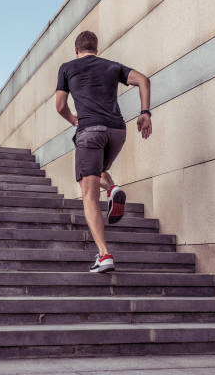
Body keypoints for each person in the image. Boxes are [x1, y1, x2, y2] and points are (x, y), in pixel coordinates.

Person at [55, 30, 152, 273]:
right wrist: (145, 113)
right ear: (96, 49)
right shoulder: (111, 66)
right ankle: (112, 187)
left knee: (88, 194)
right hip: (117, 131)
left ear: (76, 50)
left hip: (90, 130)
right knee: (98, 171)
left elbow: (59, 106)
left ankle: (104, 254)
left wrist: (73, 119)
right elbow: (143, 79)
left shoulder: (67, 68)